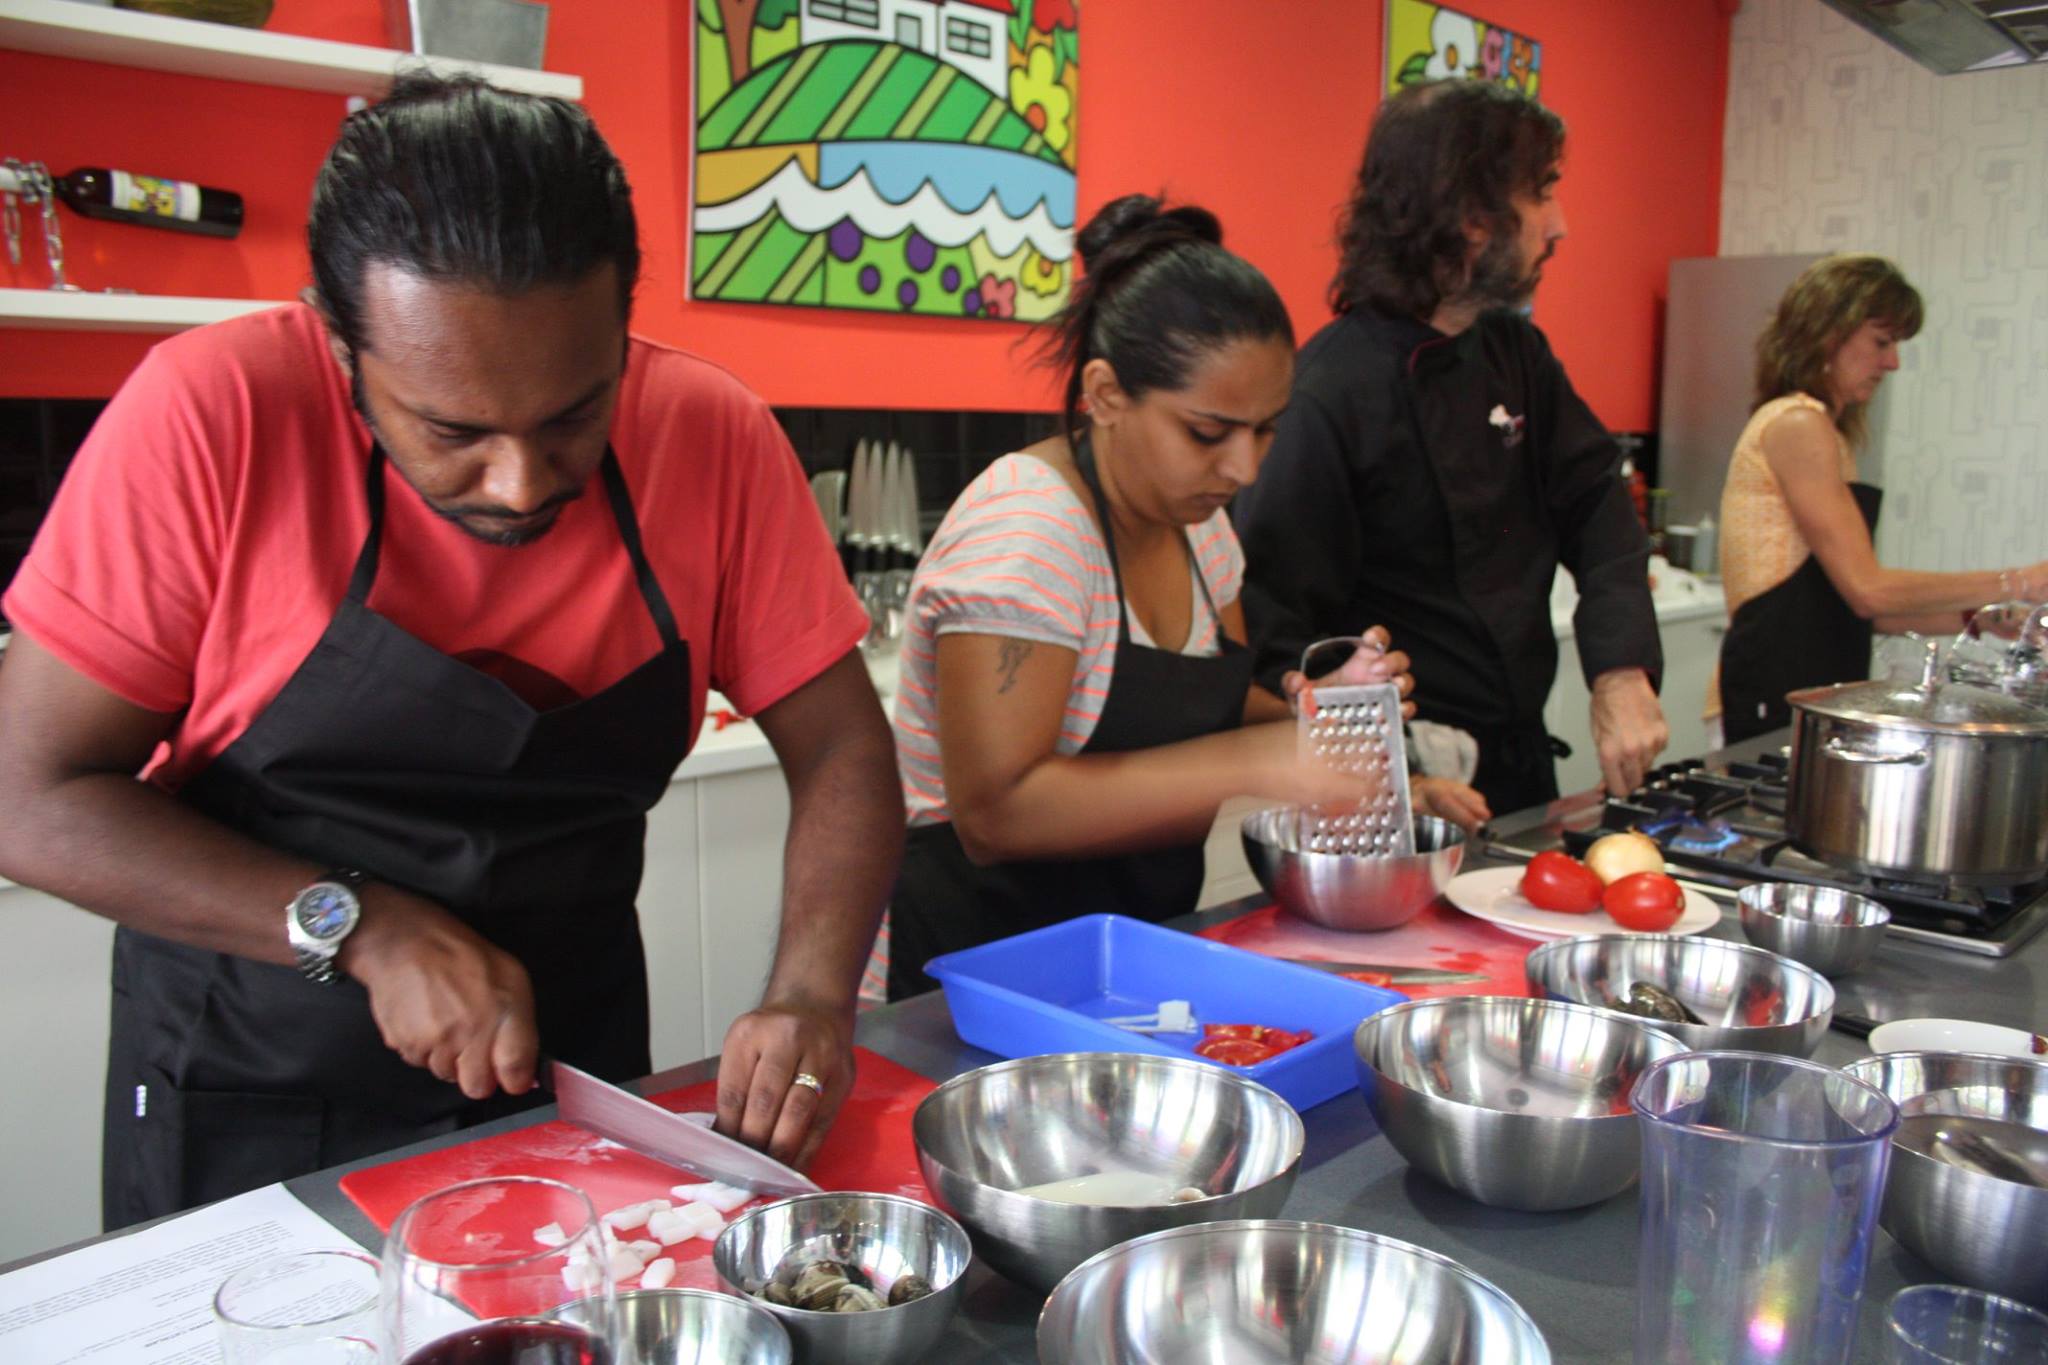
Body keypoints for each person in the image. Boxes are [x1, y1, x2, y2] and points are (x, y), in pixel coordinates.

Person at [0, 74, 902, 1227]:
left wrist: (813, 996)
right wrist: (360, 925)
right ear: (339, 343)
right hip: (250, 1080)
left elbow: (841, 748)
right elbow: (29, 797)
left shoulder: (709, 433)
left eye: (574, 416)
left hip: (566, 1069)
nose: (520, 485)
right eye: (451, 430)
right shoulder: (213, 412)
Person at [883, 194, 1485, 1000]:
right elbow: (998, 815)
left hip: (1130, 960)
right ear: (1104, 394)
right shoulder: (1028, 534)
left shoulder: (1201, 532)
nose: (1244, 468)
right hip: (972, 976)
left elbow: (1207, 708)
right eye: (1208, 432)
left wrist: (1326, 721)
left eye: (1266, 429)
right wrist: (1258, 761)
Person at [1232, 80, 1669, 813]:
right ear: (1471, 219)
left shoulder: (1515, 352)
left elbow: (1596, 500)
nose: (1559, 225)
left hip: (1519, 768)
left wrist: (1621, 669)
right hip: (1391, 792)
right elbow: (1275, 635)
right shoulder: (1327, 395)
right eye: (1542, 193)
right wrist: (1392, 771)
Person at [1712, 254, 2048, 744]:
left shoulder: (1825, 434)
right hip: (1775, 683)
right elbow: (1869, 591)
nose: (1892, 363)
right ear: (1828, 332)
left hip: (1810, 676)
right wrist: (2020, 581)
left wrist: (1981, 618)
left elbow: (1856, 608)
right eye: (1881, 342)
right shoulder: (1798, 423)